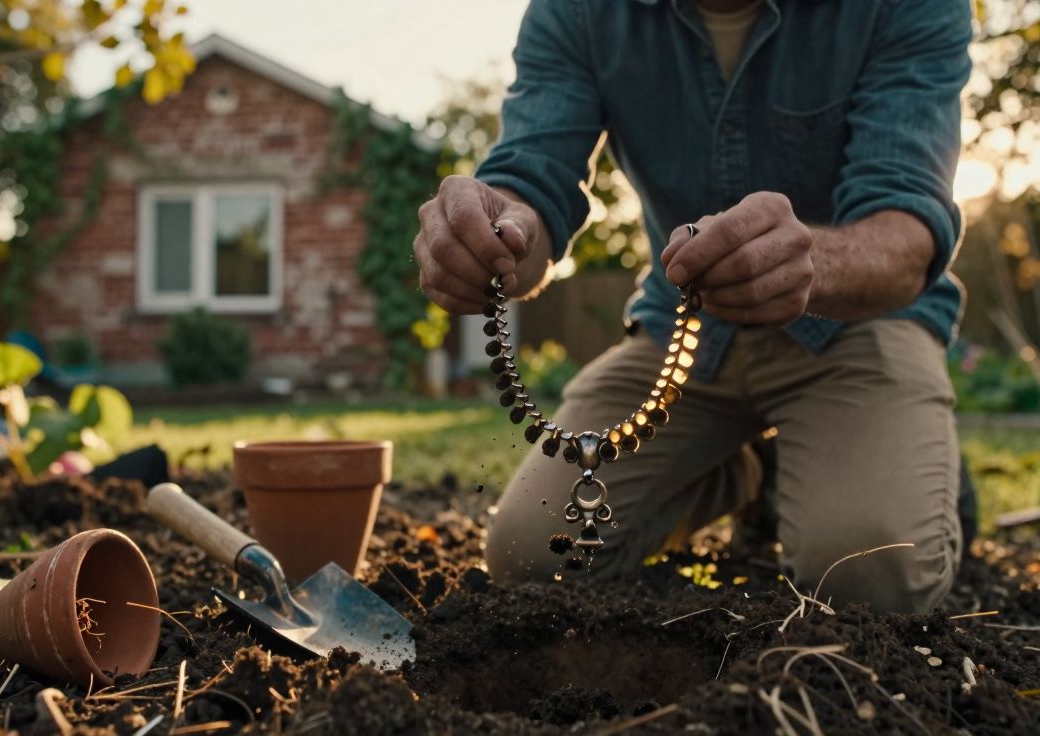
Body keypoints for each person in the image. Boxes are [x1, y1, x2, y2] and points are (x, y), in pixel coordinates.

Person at [412, 0, 973, 613]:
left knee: (867, 573)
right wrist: (501, 231)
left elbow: (908, 229)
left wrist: (811, 263)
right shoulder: (577, 13)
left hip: (857, 322)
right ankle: (749, 466)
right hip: (683, 336)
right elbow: (534, 173)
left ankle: (892, 462)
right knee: (536, 555)